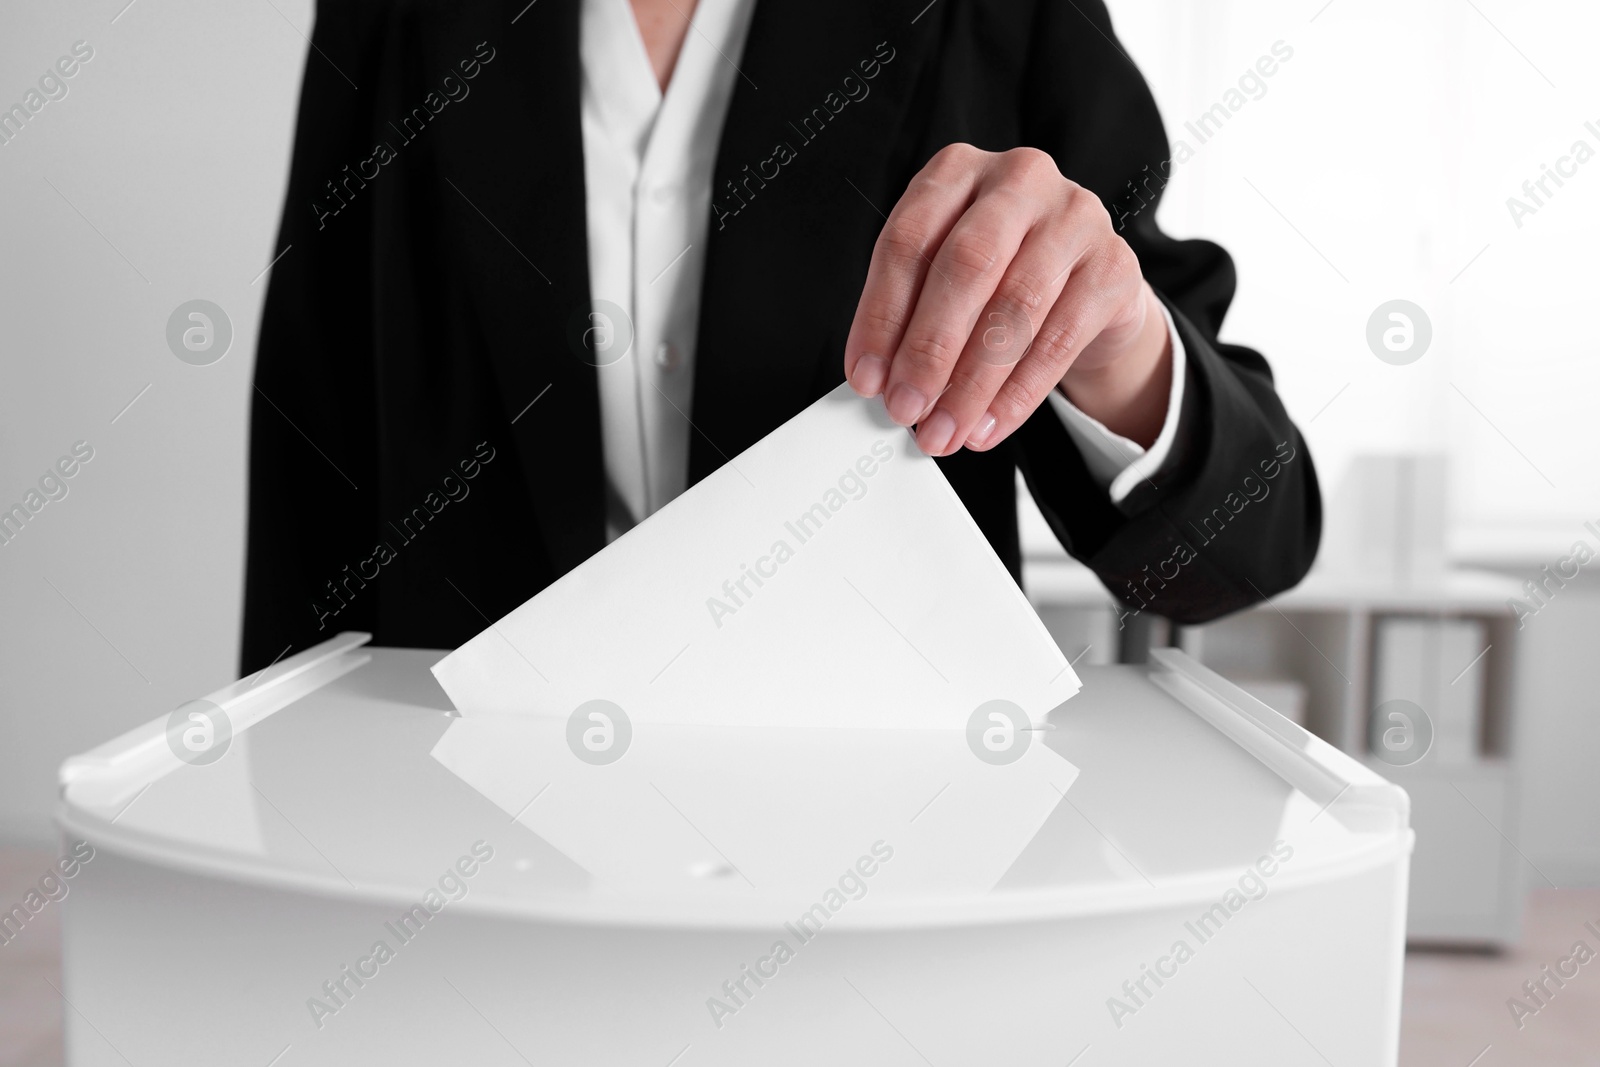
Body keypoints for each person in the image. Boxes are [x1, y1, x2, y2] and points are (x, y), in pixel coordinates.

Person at [240, 0, 1320, 672]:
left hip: (869, 828)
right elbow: (314, 444)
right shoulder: (387, 14)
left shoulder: (996, 13)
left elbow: (1245, 539)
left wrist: (1114, 341)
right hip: (473, 832)